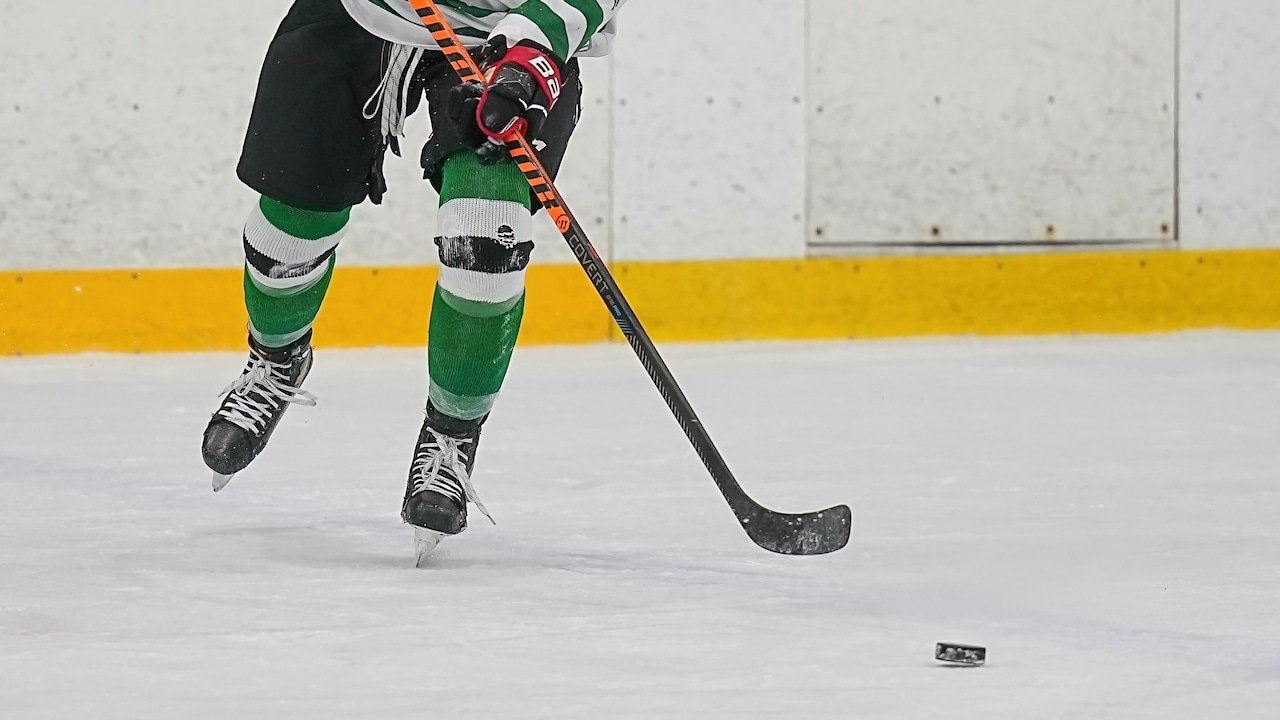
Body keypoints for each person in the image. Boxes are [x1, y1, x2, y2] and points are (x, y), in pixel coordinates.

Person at [200, 0, 627, 556]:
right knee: (291, 224)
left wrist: (531, 57)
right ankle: (277, 359)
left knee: (486, 241)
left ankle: (451, 436)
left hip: (508, 41)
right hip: (363, 12)